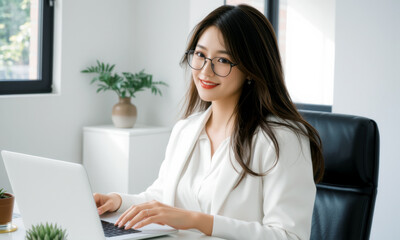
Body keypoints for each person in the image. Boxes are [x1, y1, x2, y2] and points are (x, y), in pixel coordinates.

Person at [93, 4, 324, 240]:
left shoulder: (282, 139)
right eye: (200, 55)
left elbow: (288, 235)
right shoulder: (186, 129)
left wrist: (198, 221)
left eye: (222, 60)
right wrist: (118, 202)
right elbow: (162, 198)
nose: (205, 70)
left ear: (251, 70)